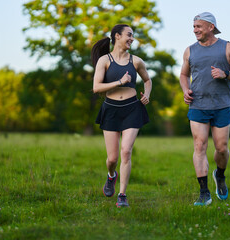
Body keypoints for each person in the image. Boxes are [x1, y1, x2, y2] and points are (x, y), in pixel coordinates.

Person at [179, 12, 230, 206]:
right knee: (199, 146)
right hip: (198, 104)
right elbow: (184, 75)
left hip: (221, 105)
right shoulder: (189, 50)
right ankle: (204, 192)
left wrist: (225, 74)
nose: (195, 30)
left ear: (210, 27)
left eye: (198, 27)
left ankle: (220, 175)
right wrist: (185, 90)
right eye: (193, 27)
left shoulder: (228, 47)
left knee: (221, 148)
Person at [91, 24, 152, 208]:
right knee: (112, 159)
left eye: (132, 36)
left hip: (132, 109)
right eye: (129, 35)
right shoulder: (104, 60)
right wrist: (120, 81)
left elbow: (148, 80)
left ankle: (122, 194)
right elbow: (96, 87)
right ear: (117, 36)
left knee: (126, 151)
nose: (132, 39)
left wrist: (147, 94)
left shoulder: (136, 61)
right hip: (110, 109)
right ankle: (111, 175)